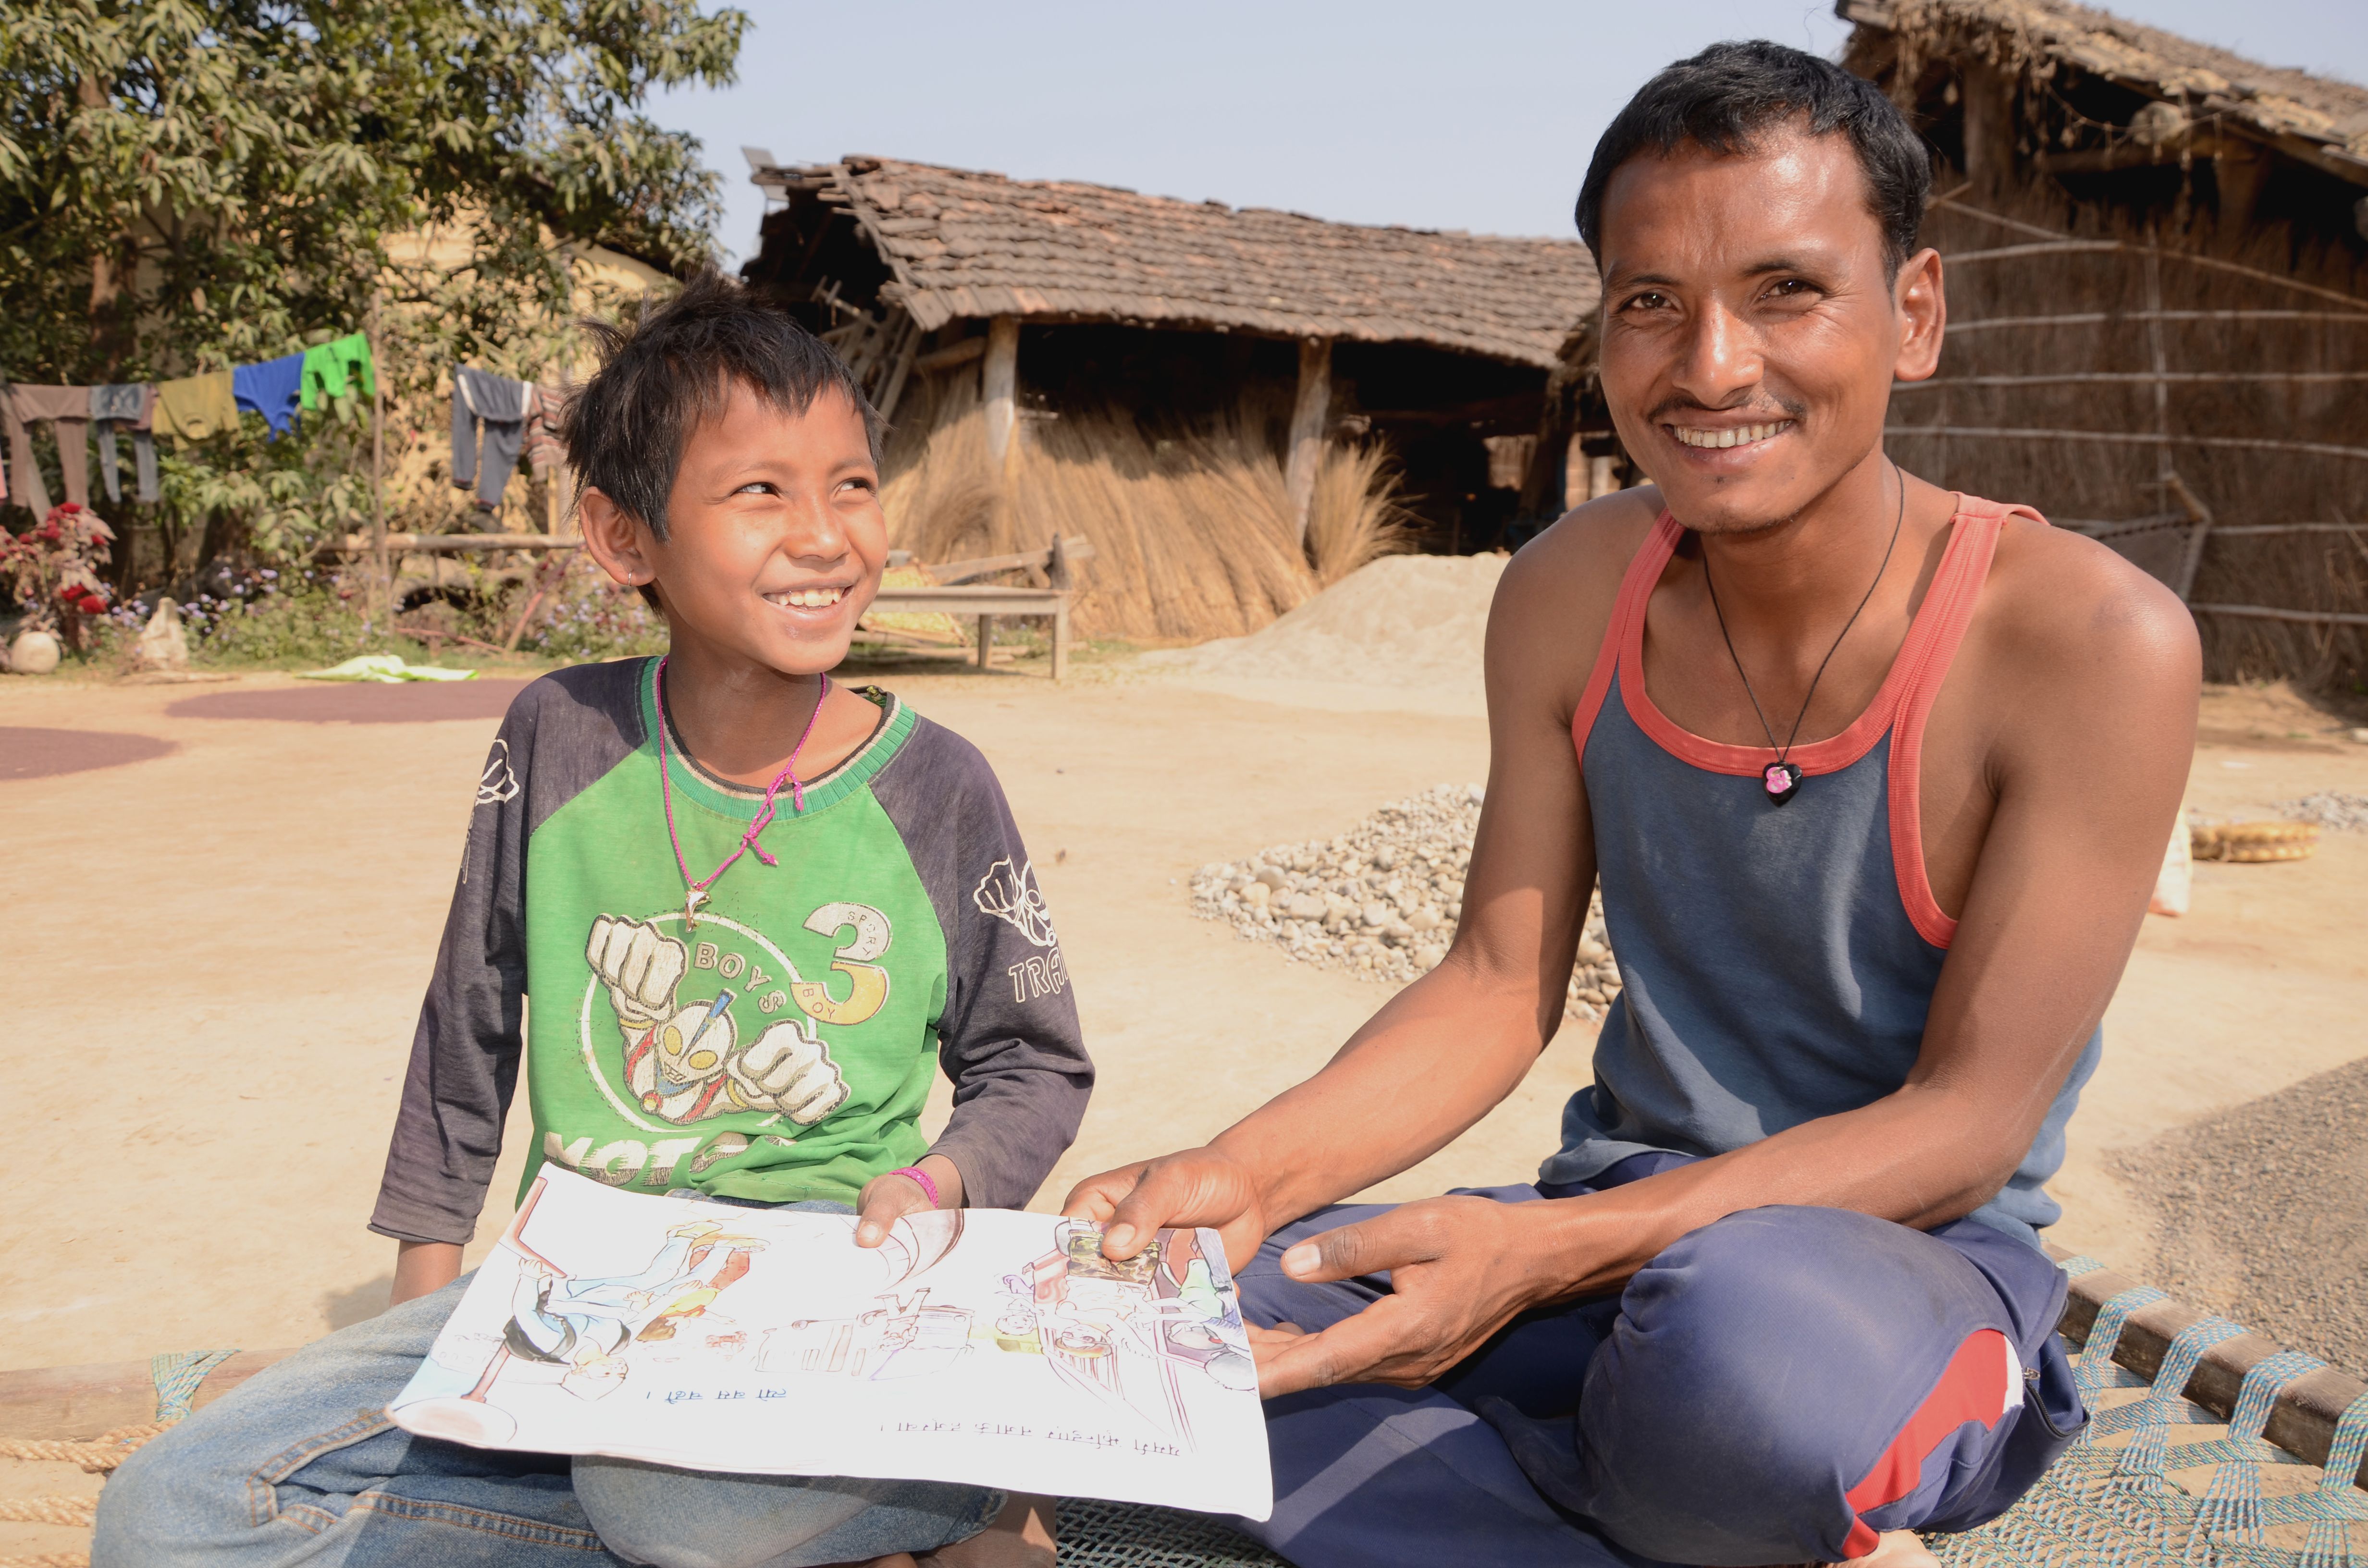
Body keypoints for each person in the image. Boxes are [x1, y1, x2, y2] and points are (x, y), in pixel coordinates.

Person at [1064, 41, 2199, 1568]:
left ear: (1913, 313)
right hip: (1614, 1237)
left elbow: (1968, 1125)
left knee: (1741, 1385)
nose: (1712, 364)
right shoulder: (1567, 593)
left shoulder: (2090, 644)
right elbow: (1491, 984)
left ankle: (1649, 1489)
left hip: (1896, 1277)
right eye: (1650, 304)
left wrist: (1539, 1254)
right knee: (1182, 1352)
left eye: (1786, 291)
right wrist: (1247, 1176)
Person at [96, 273, 1092, 1568]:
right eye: (761, 493)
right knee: (164, 1514)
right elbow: (471, 1014)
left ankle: (953, 1484)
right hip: (575, 1288)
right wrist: (439, 1324)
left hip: (822, 1275)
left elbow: (1035, 1059)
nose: (827, 534)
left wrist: (936, 1179)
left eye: (852, 484)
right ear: (627, 542)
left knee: (663, 1504)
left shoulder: (936, 785)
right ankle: (844, 1533)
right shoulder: (556, 737)